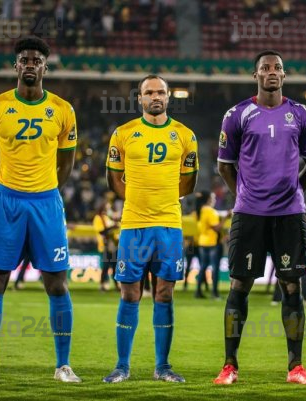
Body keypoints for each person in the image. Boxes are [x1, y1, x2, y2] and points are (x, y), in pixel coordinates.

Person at [0, 36, 81, 382]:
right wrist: (5, 192)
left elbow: (67, 163)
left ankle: (63, 366)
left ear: (45, 67)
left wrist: (45, 192)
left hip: (46, 202)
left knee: (57, 285)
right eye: (24, 60)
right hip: (8, 201)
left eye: (36, 60)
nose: (30, 65)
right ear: (15, 65)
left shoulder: (63, 110)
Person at [213, 50, 306, 385]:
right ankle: (229, 366)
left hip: (289, 214)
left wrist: (294, 191)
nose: (272, 72)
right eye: (265, 68)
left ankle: (296, 367)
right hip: (249, 214)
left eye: (277, 67)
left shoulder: (302, 114)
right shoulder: (237, 114)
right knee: (239, 285)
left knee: (291, 286)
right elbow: (225, 165)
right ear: (256, 75)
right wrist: (245, 195)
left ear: (284, 75)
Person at [103, 74, 198, 383]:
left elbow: (189, 181)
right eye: (149, 92)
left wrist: (164, 198)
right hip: (134, 224)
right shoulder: (123, 133)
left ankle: (163, 367)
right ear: (140, 98)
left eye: (160, 92)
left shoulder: (185, 135)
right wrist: (137, 199)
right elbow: (113, 178)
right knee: (130, 293)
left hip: (169, 224)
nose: (155, 97)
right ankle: (122, 366)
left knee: (164, 293)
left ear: (168, 97)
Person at [195, 191, 227, 299]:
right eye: (213, 197)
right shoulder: (210, 211)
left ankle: (198, 291)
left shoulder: (200, 210)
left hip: (202, 242)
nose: (215, 200)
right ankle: (214, 293)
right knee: (215, 268)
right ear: (208, 199)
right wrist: (226, 217)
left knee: (203, 267)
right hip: (213, 242)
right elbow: (217, 227)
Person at [93, 199, 120, 292]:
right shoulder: (98, 218)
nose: (109, 209)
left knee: (114, 265)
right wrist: (113, 227)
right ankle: (103, 284)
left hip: (113, 244)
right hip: (105, 245)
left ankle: (116, 285)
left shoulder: (107, 218)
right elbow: (101, 231)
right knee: (106, 266)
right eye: (107, 207)